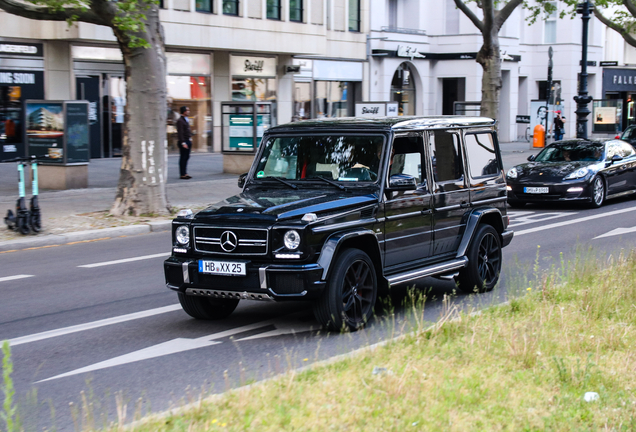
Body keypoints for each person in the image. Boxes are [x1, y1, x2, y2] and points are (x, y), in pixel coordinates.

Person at [177, 106, 192, 179]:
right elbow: (180, 132)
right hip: (184, 141)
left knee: (186, 157)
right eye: (187, 110)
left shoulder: (186, 119)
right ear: (184, 111)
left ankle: (185, 173)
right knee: (183, 158)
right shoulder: (180, 121)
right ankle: (182, 174)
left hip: (187, 140)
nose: (189, 111)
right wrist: (183, 142)